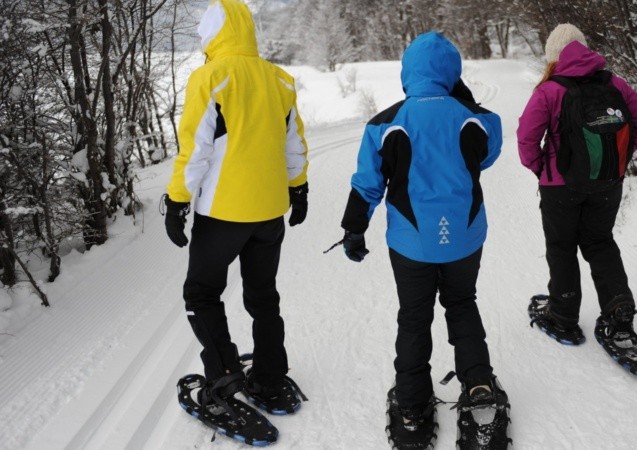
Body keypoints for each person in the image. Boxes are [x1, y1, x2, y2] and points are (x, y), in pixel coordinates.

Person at [337, 32, 509, 449]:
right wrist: (459, 98)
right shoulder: (476, 119)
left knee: (414, 316)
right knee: (462, 304)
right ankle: (479, 389)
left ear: (407, 72)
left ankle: (412, 407)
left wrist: (353, 228)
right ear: (452, 72)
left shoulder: (385, 122)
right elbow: (488, 152)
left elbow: (367, 184)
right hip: (464, 237)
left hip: (411, 243)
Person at [163, 0, 309, 434]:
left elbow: (196, 151)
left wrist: (176, 201)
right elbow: (293, 144)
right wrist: (298, 188)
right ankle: (268, 377)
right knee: (263, 295)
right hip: (268, 213)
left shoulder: (210, 77)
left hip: (223, 214)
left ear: (213, 34)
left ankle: (224, 377)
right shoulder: (279, 79)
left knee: (202, 293)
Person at [516, 24, 637, 368]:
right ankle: (619, 311)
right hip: (609, 182)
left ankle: (563, 315)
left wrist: (542, 169)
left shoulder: (549, 90)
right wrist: (618, 157)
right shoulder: (615, 83)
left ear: (553, 57)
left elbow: (526, 141)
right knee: (600, 243)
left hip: (559, 187)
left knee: (562, 246)